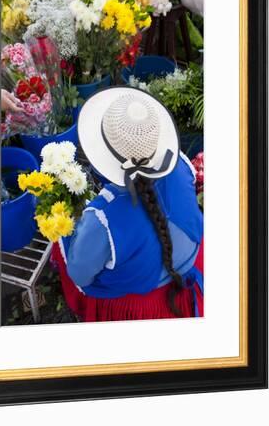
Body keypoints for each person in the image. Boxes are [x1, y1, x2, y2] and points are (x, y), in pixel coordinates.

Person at [52, 87, 203, 321]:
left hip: (139, 306)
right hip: (186, 267)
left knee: (61, 241)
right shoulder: (182, 166)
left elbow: (80, 275)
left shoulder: (101, 217)